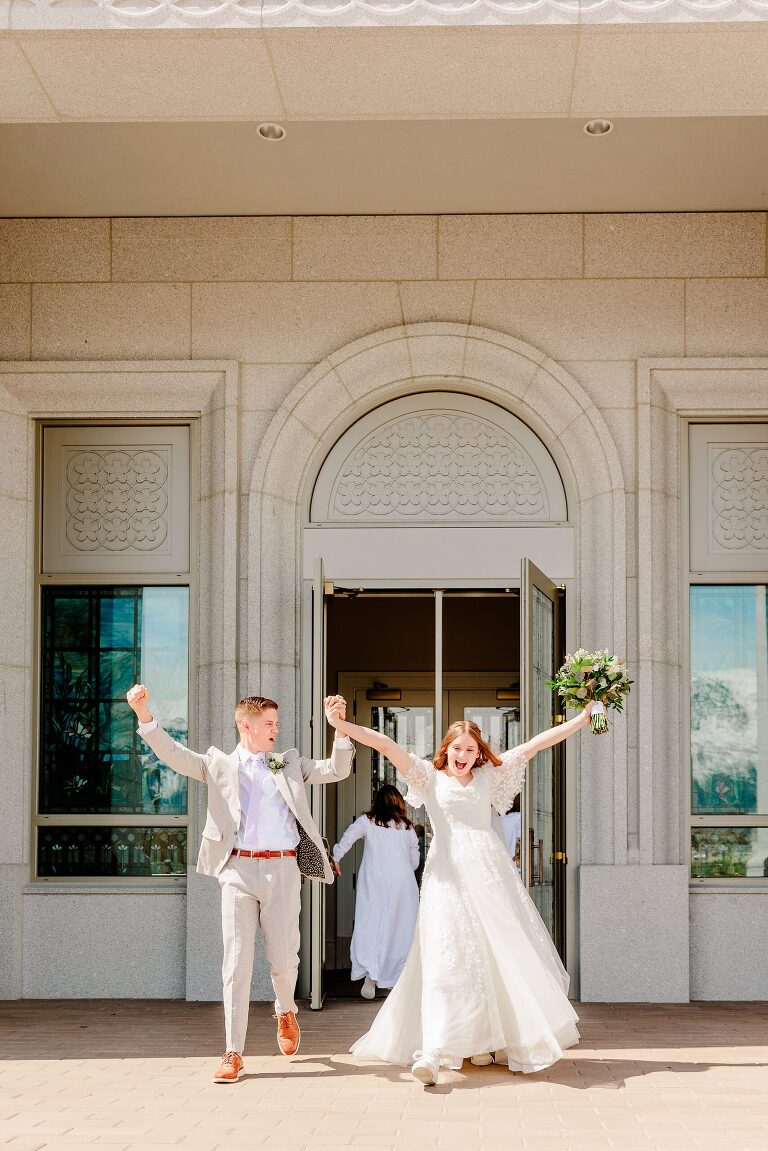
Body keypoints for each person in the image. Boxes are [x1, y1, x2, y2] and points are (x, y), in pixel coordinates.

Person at [325, 702, 596, 1086]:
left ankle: (490, 1039)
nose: (464, 757)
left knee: (492, 956)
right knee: (444, 957)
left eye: (471, 750)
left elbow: (535, 745)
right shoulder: (428, 777)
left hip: (490, 876)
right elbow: (385, 743)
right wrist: (341, 725)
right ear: (446, 749)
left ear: (478, 752)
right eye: (457, 749)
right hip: (445, 877)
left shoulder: (490, 775)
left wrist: (581, 721)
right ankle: (432, 1051)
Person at [126, 684, 354, 1084]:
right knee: (236, 963)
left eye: (277, 723)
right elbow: (174, 755)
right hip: (236, 870)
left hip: (282, 870)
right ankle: (234, 1051)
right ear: (245, 726)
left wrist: (340, 730)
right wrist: (144, 714)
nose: (275, 730)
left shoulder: (287, 763)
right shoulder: (218, 764)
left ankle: (286, 1010)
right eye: (268, 723)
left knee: (283, 961)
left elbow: (336, 770)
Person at [332, 784, 420, 1000]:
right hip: (403, 882)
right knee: (400, 927)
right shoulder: (407, 827)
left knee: (371, 922)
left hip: (374, 879)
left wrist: (334, 859)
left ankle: (371, 974)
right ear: (399, 802)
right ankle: (395, 978)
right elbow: (415, 860)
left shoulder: (367, 821)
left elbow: (347, 838)